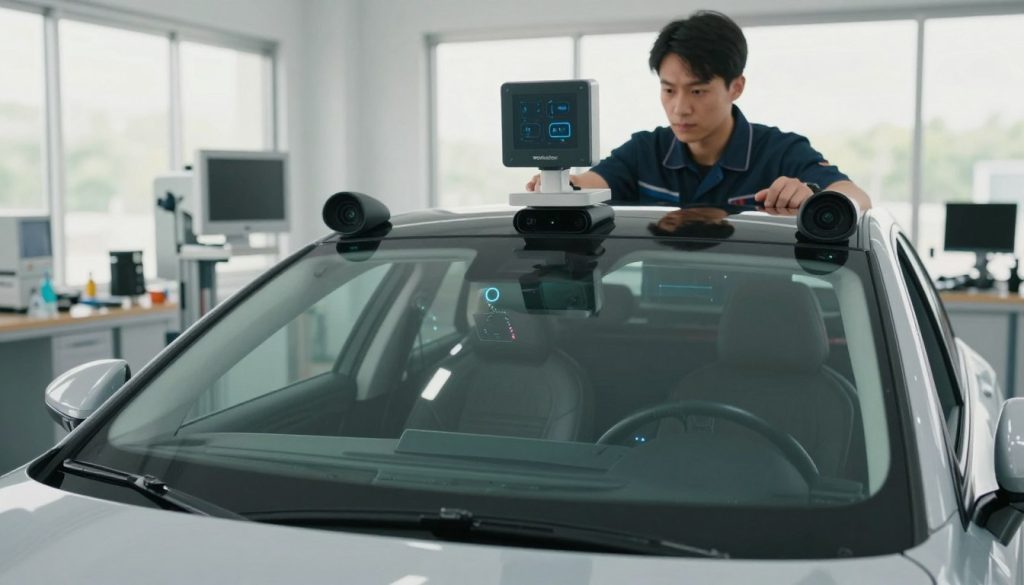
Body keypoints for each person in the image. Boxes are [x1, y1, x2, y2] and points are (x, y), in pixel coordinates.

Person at [526, 11, 871, 211]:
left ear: (736, 87)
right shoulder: (646, 151)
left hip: (753, 321)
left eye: (698, 90)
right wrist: (561, 184)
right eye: (668, 89)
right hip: (656, 322)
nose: (680, 107)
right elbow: (590, 183)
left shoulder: (779, 152)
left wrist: (812, 197)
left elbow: (856, 197)